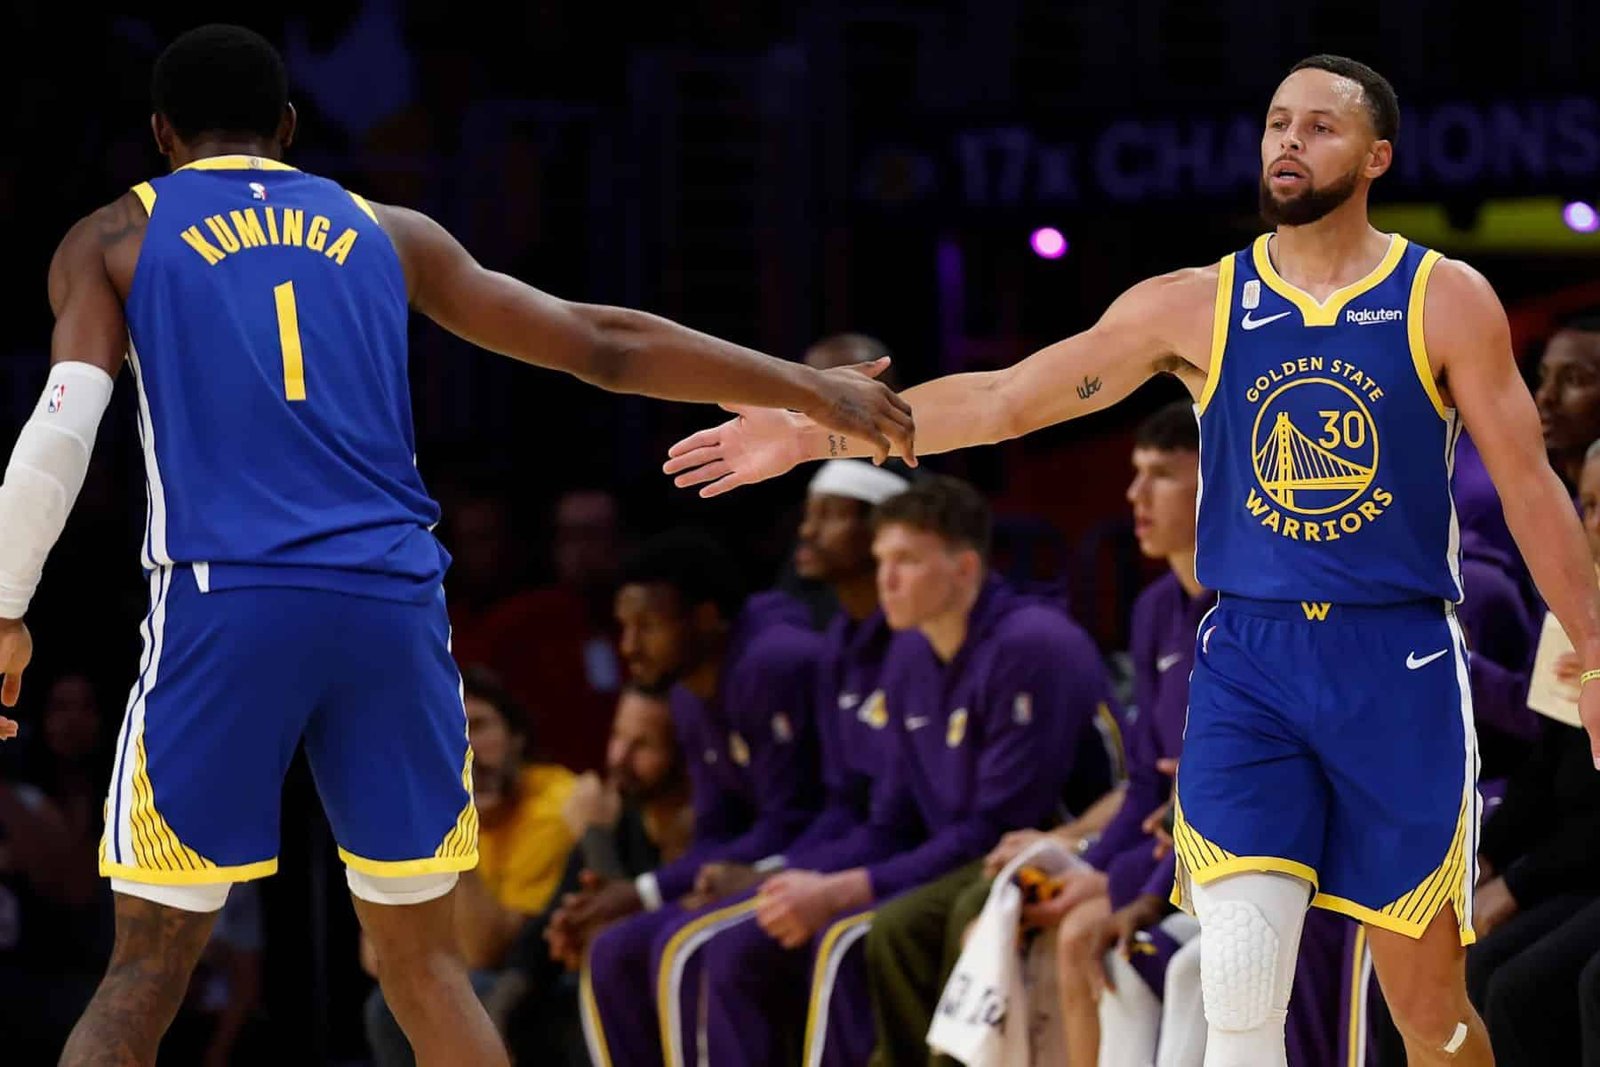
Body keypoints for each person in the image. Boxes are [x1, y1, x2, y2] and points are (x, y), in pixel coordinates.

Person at [665, 54, 1600, 1067]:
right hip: (1252, 662)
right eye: (1277, 121)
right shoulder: (1193, 303)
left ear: (1376, 156)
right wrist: (819, 427)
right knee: (1235, 971)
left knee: (1428, 1007)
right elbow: (1001, 399)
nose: (1288, 140)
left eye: (1319, 127)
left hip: (1398, 666)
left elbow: (1531, 485)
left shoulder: (1443, 296)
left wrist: (1592, 644)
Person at [6, 23, 909, 1067]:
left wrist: (5, 603)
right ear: (290, 131)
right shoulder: (388, 230)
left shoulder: (116, 234)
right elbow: (603, 343)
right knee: (422, 964)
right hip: (392, 606)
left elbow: (62, 430)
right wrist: (807, 385)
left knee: (149, 965)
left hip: (232, 595)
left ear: (161, 135)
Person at [812, 476, 1121, 1067]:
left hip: (1067, 843)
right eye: (881, 560)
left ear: (964, 568)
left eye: (906, 560)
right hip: (976, 853)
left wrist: (849, 887)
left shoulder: (1033, 646)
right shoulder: (906, 653)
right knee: (894, 930)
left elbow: (1002, 824)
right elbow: (893, 816)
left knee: (942, 916)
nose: (887, 579)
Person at [652, 459, 912, 1067]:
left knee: (722, 948)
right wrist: (778, 870)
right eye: (807, 515)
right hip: (859, 845)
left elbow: (899, 818)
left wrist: (777, 873)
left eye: (828, 516)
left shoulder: (912, 646)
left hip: (908, 855)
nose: (806, 531)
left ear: (878, 531)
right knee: (679, 940)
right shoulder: (838, 649)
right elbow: (842, 804)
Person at [555, 528, 824, 1067]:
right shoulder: (687, 691)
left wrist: (645, 890)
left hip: (821, 855)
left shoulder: (774, 663)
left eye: (647, 626)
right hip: (775, 857)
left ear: (703, 618)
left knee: (687, 946)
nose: (628, 646)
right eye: (624, 627)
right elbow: (717, 833)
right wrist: (640, 892)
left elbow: (793, 817)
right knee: (610, 949)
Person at [362, 665, 578, 1066]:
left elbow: (486, 952)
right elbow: (376, 953)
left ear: (518, 737)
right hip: (469, 977)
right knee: (395, 1001)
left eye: (478, 726)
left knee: (453, 994)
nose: (463, 746)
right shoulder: (419, 809)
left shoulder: (556, 805)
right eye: (446, 730)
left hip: (542, 986)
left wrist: (454, 823)